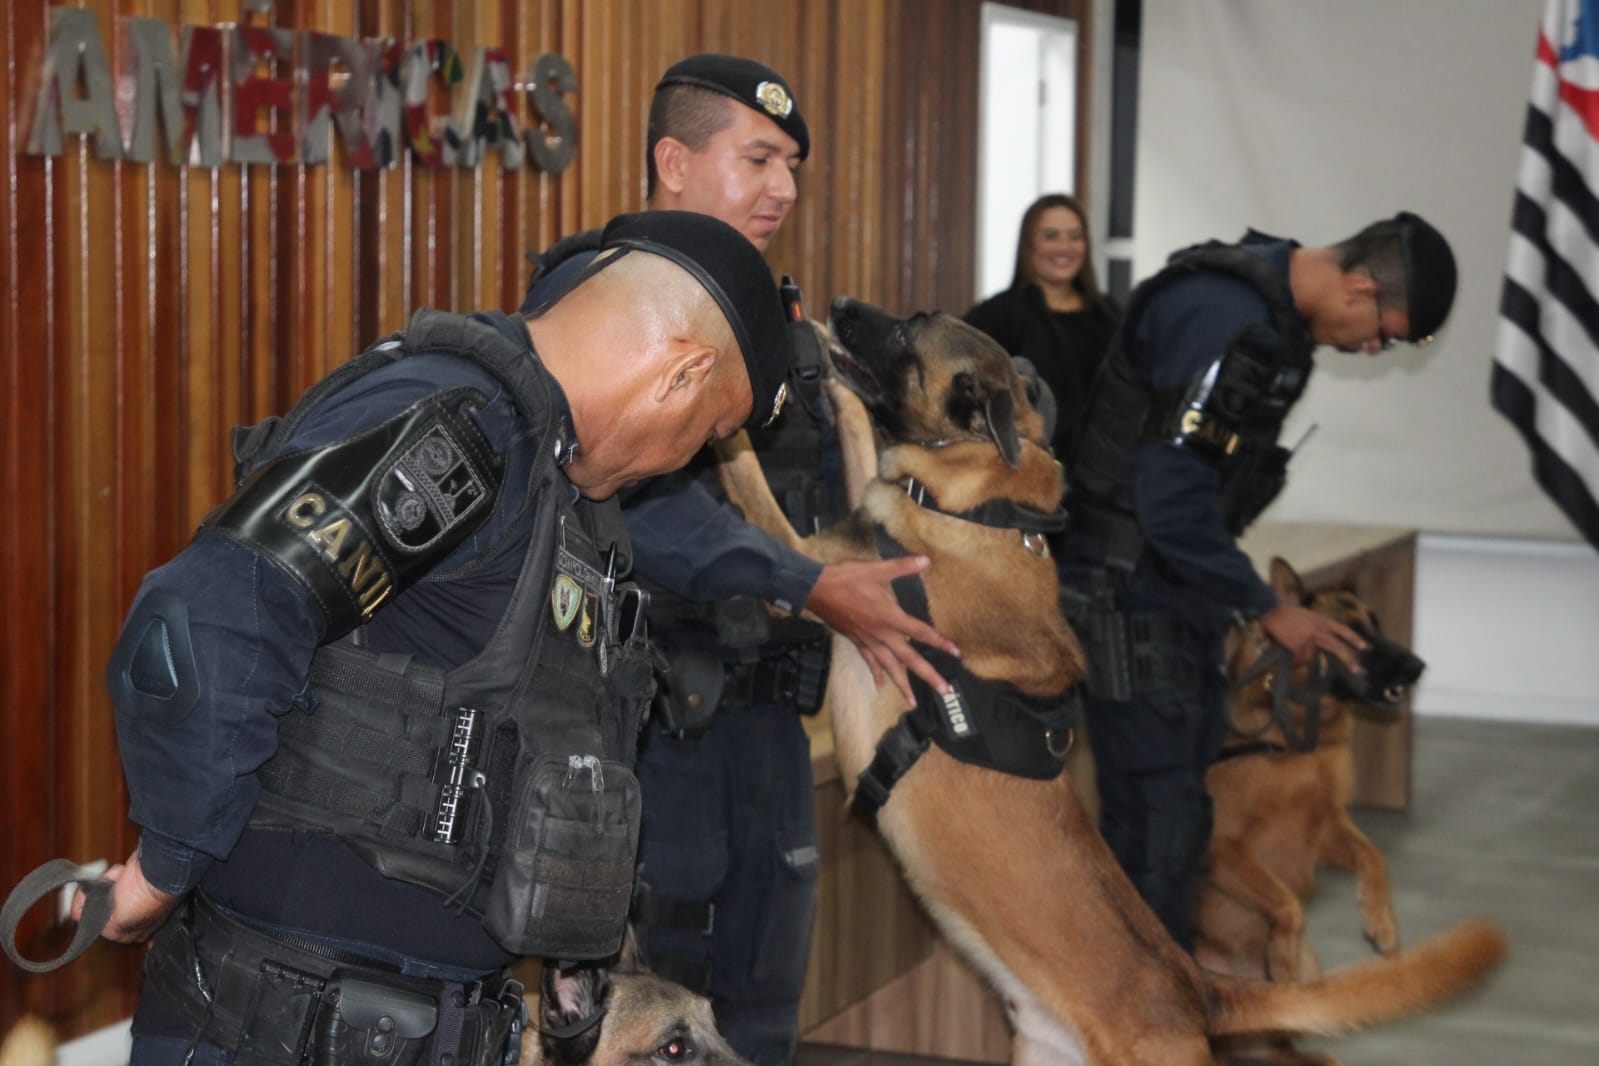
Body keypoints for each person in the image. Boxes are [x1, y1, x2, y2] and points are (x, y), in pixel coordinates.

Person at [79, 209, 794, 1066]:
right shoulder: (465, 429)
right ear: (684, 372)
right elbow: (208, 613)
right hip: (278, 1025)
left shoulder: (565, 498)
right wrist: (165, 867)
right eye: (711, 432)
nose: (689, 459)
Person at [520, 55, 960, 1066]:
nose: (785, 190)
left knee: (758, 1013)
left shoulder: (772, 326)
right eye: (758, 157)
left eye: (794, 165)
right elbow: (638, 500)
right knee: (650, 1016)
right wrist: (806, 581)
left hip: (768, 723)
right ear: (675, 161)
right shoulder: (594, 303)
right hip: (651, 727)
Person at [1058, 211, 1457, 950]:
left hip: (1172, 589)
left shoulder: (1269, 318)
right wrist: (1265, 606)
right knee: (1155, 835)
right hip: (1129, 587)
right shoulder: (1226, 318)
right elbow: (1169, 498)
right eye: (1382, 333)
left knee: (1179, 824)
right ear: (1361, 286)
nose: (1372, 349)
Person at [965, 193, 1120, 454]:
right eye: (1051, 236)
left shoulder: (1111, 316)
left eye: (1075, 236)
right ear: (1029, 245)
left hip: (1104, 475)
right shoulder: (996, 316)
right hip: (1026, 470)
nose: (1065, 247)